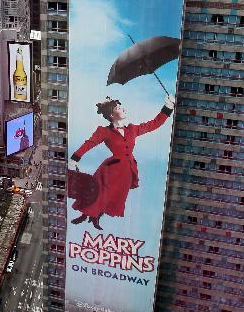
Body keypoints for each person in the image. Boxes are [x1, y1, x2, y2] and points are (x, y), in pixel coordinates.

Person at [68, 94, 174, 230]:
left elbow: (153, 124)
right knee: (98, 193)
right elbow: (89, 143)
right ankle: (86, 215)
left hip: (126, 171)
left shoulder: (133, 129)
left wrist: (168, 107)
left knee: (113, 197)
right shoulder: (104, 131)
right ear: (112, 115)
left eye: (121, 106)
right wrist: (75, 158)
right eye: (118, 108)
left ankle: (96, 217)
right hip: (110, 170)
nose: (123, 108)